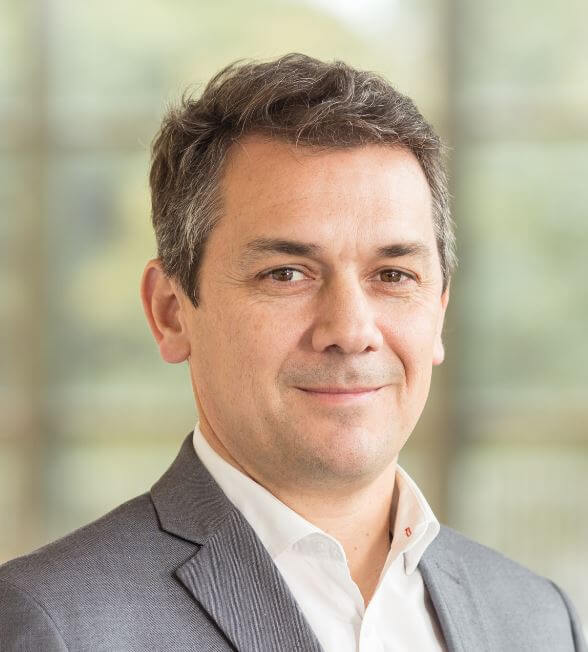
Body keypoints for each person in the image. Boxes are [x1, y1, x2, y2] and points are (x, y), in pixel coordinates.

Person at [0, 53, 585, 652]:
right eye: (286, 274)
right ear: (171, 313)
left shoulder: (539, 620)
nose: (351, 331)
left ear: (439, 311)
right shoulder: (51, 625)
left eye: (393, 275)